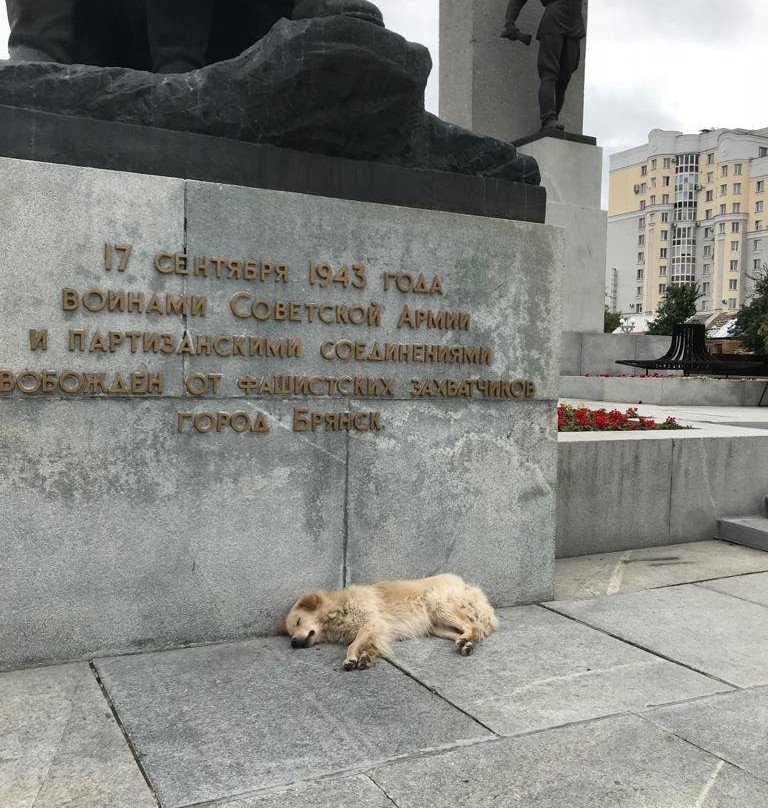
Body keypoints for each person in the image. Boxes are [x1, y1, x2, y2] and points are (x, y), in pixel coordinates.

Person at [501, 0, 585, 131]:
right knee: (549, 73)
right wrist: (510, 22)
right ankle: (548, 119)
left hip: (574, 26)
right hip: (554, 21)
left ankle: (553, 121)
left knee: (564, 80)